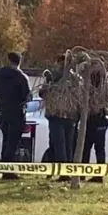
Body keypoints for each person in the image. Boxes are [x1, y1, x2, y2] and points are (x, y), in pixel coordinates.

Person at [0, 52, 31, 180]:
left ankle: (4, 170)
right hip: (17, 113)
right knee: (13, 143)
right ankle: (9, 172)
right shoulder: (21, 77)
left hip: (4, 112)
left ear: (8, 61)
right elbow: (27, 97)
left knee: (6, 141)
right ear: (19, 62)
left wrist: (3, 98)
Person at [39, 54, 76, 182]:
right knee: (66, 145)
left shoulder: (55, 76)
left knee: (59, 144)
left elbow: (42, 93)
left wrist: (49, 82)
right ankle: (61, 171)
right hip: (70, 116)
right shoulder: (76, 78)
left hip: (57, 114)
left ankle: (63, 173)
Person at [82, 70, 108, 183]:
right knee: (99, 149)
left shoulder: (92, 91)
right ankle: (99, 175)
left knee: (87, 148)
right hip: (102, 121)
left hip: (93, 121)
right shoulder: (106, 89)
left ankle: (83, 174)